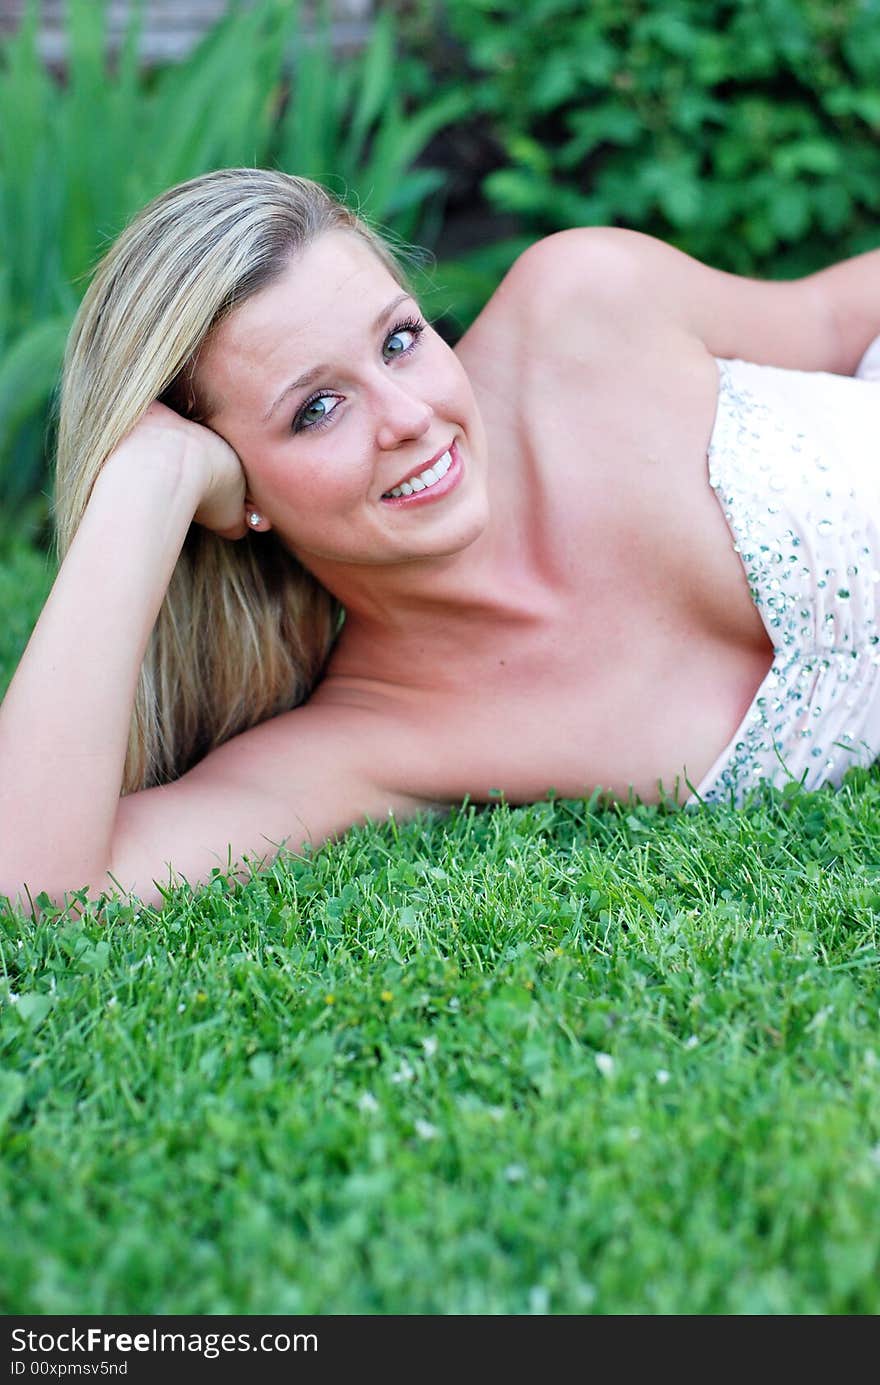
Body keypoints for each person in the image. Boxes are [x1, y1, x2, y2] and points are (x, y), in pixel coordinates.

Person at [2, 166, 880, 911]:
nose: (410, 416)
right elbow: (36, 887)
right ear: (237, 489)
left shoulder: (584, 307)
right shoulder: (375, 737)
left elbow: (838, 321)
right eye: (316, 409)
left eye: (399, 340)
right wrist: (145, 481)